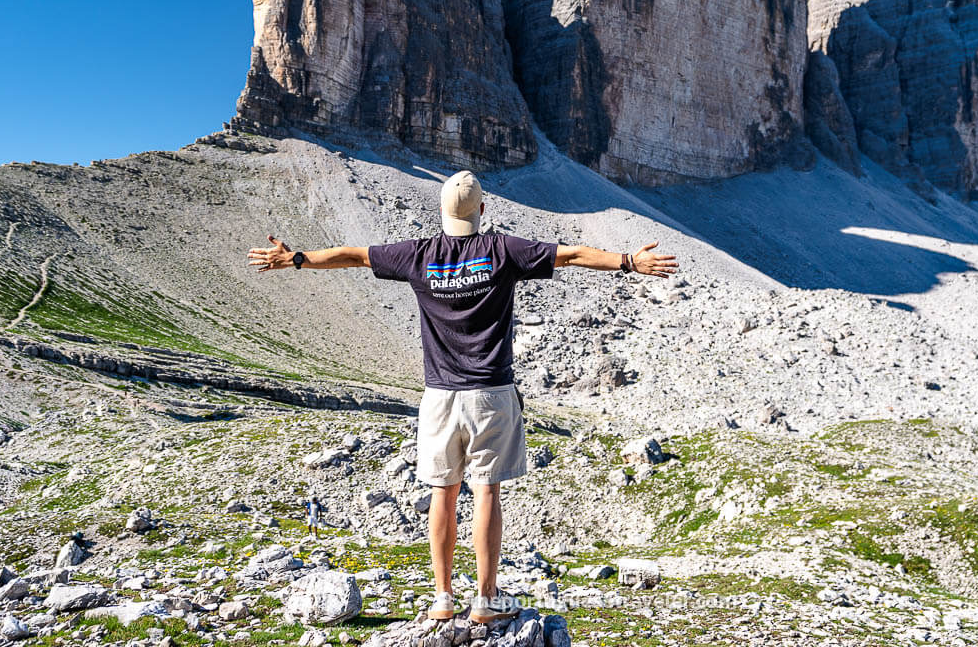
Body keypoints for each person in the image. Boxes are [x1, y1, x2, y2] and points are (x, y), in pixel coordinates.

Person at [248, 170, 677, 623]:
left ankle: (442, 597)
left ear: (440, 212)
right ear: (483, 212)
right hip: (491, 392)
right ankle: (487, 600)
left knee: (443, 493)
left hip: (439, 395)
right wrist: (628, 260)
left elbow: (353, 255)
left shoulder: (418, 255)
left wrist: (296, 258)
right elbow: (571, 255)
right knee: (486, 490)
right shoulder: (502, 250)